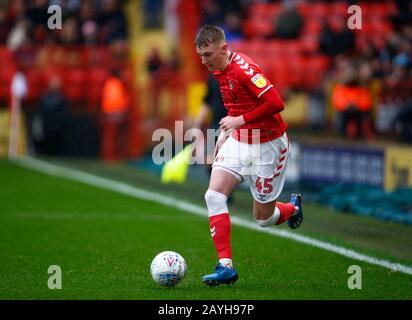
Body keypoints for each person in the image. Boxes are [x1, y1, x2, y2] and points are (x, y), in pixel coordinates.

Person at [195, 25, 303, 286]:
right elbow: (234, 105)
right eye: (200, 55)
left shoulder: (244, 69)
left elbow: (276, 103)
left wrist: (238, 120)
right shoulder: (218, 71)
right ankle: (225, 266)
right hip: (241, 139)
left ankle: (292, 208)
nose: (203, 60)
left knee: (263, 219)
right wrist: (225, 133)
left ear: (223, 48)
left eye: (208, 54)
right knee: (214, 195)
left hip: (269, 144)